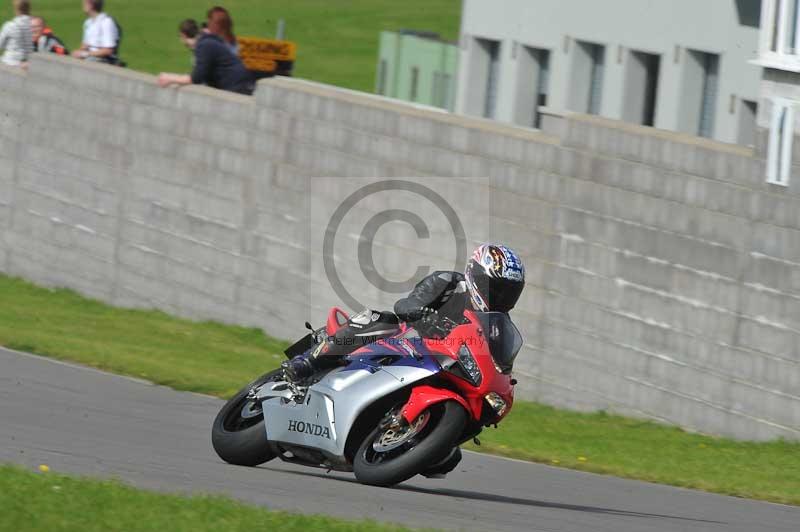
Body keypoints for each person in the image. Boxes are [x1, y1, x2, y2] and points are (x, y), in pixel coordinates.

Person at [281, 244, 527, 382]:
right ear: (476, 275)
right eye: (496, 288)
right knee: (379, 319)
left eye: (509, 292)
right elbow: (405, 305)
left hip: (438, 365)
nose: (501, 297)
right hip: (405, 343)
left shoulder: (496, 325)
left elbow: (495, 360)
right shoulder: (448, 282)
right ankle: (309, 361)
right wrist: (424, 314)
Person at [157, 18, 254, 95]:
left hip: (238, 88)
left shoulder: (204, 46)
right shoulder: (205, 42)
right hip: (240, 84)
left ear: (183, 36)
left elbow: (196, 78)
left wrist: (169, 78)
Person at [0, 0, 33, 67]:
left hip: (10, 62)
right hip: (29, 62)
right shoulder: (35, 25)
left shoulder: (10, 25)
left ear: (16, 9)